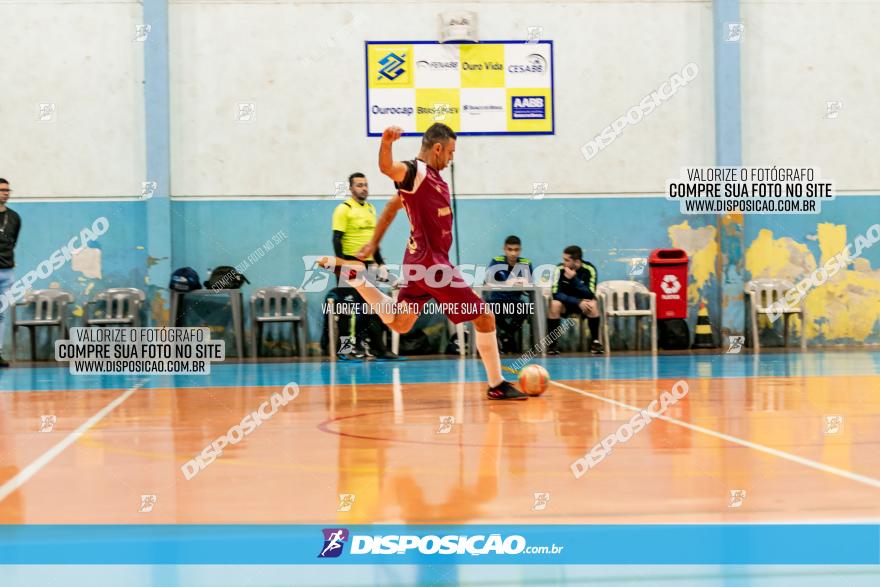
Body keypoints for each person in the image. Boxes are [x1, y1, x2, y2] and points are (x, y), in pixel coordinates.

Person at [319, 123, 527, 400]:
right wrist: (386, 142)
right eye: (451, 152)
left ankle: (356, 279)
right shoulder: (415, 172)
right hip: (433, 266)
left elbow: (392, 208)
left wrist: (375, 242)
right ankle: (497, 384)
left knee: (401, 323)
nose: (452, 158)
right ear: (438, 148)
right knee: (484, 316)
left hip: (417, 263)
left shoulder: (433, 179)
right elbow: (387, 168)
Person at [330, 172, 398, 360]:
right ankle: (345, 350)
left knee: (374, 308)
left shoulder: (370, 209)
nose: (364, 188)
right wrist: (343, 265)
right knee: (347, 310)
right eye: (359, 185)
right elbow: (336, 239)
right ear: (351, 188)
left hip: (369, 265)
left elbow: (373, 242)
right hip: (350, 263)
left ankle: (378, 348)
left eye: (366, 184)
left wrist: (381, 264)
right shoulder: (343, 209)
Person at [547, 245, 604, 355]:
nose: (564, 263)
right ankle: (552, 344)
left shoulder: (590, 269)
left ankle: (595, 342)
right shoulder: (558, 269)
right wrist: (577, 302)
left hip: (584, 305)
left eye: (566, 260)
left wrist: (574, 279)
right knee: (554, 305)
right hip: (566, 304)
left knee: (593, 305)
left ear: (577, 261)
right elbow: (556, 294)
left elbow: (590, 294)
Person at [485, 235, 533, 353]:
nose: (513, 253)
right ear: (504, 249)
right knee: (490, 310)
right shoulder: (496, 261)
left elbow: (529, 287)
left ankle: (506, 336)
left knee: (525, 309)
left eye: (516, 250)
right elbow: (487, 282)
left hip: (514, 301)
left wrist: (524, 283)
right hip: (496, 300)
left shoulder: (526, 263)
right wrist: (508, 282)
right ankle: (508, 337)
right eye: (510, 250)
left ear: (520, 250)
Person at [0, 178, 20, 368]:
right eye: (2, 190)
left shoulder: (14, 217)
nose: (6, 193)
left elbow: (12, 242)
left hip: (7, 272)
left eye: (8, 190)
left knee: (2, 314)